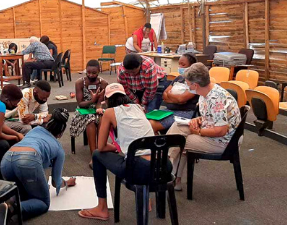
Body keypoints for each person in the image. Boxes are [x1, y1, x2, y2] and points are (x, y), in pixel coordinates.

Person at [78, 83, 171, 221]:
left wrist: (117, 148)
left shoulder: (109, 112)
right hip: (164, 166)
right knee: (139, 157)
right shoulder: (139, 108)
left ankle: (102, 208)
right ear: (125, 96)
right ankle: (147, 198)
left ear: (107, 100)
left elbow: (101, 147)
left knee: (97, 155)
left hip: (141, 169)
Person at [167, 62, 241, 190]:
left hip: (224, 141)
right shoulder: (206, 92)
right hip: (214, 130)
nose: (186, 86)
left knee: (180, 141)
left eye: (187, 84)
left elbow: (220, 130)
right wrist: (198, 119)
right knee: (177, 127)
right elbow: (212, 116)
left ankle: (167, 171)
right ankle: (168, 167)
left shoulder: (216, 99)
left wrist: (199, 132)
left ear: (195, 85)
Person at [0, 108, 76, 220]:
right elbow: (56, 182)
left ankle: (9, 203)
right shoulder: (59, 149)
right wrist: (67, 183)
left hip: (7, 159)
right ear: (60, 134)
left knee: (25, 195)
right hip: (28, 160)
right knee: (43, 203)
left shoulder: (34, 131)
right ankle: (12, 209)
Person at [69, 60, 108, 168]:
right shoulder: (80, 82)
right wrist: (92, 100)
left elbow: (101, 102)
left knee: (101, 120)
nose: (91, 75)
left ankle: (101, 150)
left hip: (96, 109)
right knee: (91, 121)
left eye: (94, 73)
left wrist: (99, 107)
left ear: (99, 71)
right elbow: (80, 103)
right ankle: (94, 156)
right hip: (83, 111)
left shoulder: (103, 83)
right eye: (88, 72)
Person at [149, 53, 199, 134]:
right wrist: (176, 99)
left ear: (191, 66)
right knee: (146, 120)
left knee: (152, 125)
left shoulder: (195, 81)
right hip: (168, 110)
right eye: (179, 64)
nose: (180, 66)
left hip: (184, 112)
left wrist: (170, 96)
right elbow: (164, 95)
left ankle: (158, 143)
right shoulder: (179, 78)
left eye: (183, 64)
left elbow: (182, 98)